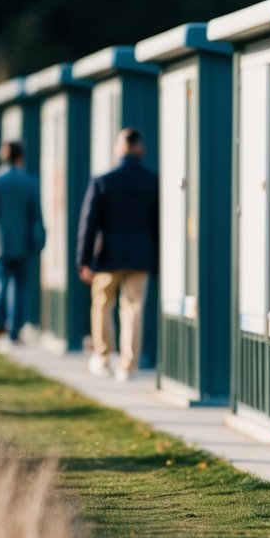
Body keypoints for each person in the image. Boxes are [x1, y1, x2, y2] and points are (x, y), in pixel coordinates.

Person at [77, 127, 159, 382]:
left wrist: (83, 259)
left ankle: (103, 357)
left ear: (119, 149)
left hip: (108, 255)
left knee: (102, 303)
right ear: (141, 149)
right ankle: (128, 365)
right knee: (133, 308)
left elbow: (88, 224)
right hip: (141, 255)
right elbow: (157, 224)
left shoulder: (103, 180)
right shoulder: (152, 181)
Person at [0, 140, 45, 344]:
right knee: (20, 286)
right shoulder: (30, 182)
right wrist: (40, 240)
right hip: (23, 243)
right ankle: (16, 330)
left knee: (0, 282)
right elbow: (36, 216)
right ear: (20, 157)